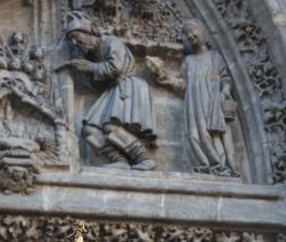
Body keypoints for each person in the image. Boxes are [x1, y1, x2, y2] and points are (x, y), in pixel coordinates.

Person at [64, 11, 157, 170]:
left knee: (110, 127)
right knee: (89, 130)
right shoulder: (92, 55)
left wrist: (91, 67)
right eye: (70, 40)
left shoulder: (111, 42)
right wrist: (85, 70)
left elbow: (117, 67)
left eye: (76, 37)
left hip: (128, 86)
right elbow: (98, 85)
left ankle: (144, 159)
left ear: (89, 32)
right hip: (113, 90)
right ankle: (120, 161)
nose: (74, 42)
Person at [153, 18, 236, 176]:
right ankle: (205, 163)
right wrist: (168, 79)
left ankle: (220, 166)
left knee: (213, 133)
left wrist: (224, 92)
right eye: (186, 34)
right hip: (193, 103)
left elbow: (225, 79)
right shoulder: (188, 61)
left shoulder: (215, 57)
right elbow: (183, 84)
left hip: (211, 101)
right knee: (194, 134)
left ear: (203, 32)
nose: (190, 35)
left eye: (193, 31)